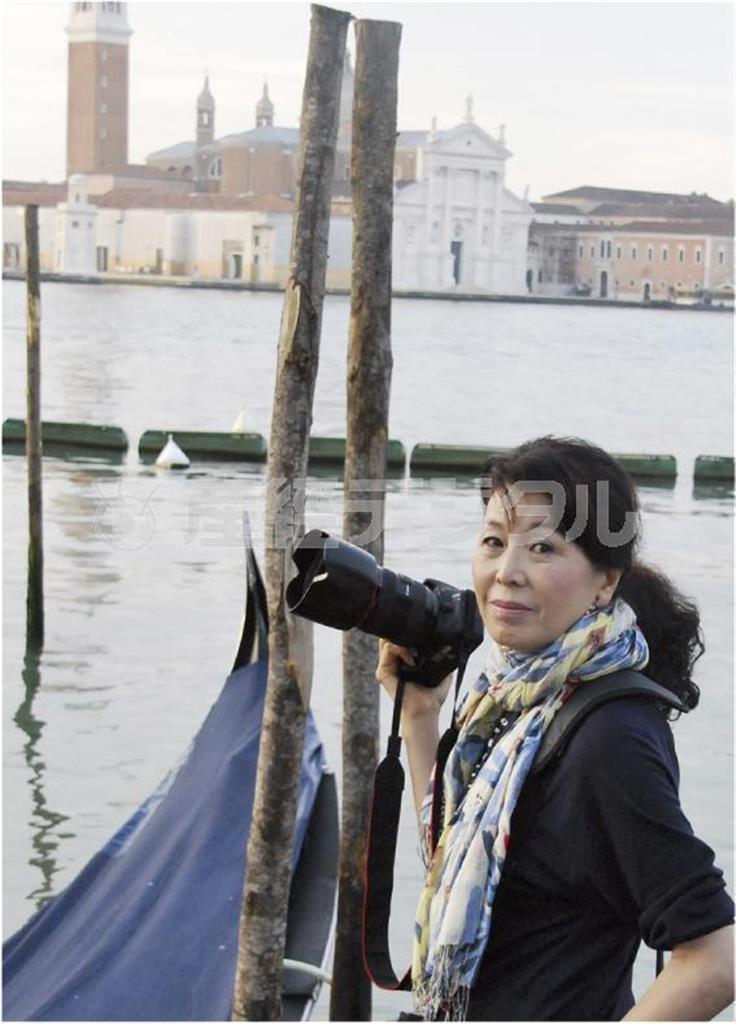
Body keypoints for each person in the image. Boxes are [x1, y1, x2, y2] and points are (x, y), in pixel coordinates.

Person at [376, 436, 734, 1022]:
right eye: (494, 541)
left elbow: (715, 957)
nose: (506, 573)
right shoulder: (514, 698)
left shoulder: (610, 736)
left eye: (543, 548)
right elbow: (460, 868)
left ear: (606, 581)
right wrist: (420, 716)